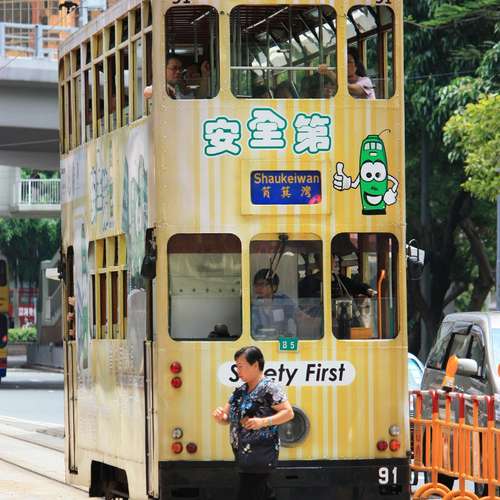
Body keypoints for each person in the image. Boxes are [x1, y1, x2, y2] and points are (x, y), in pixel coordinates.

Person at [212, 346, 294, 500]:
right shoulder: (240, 391)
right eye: (236, 366)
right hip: (243, 456)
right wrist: (220, 417)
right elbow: (227, 417)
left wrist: (263, 422)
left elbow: (288, 413)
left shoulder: (269, 388)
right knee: (261, 493)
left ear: (255, 365)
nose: (238, 371)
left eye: (241, 366)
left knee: (249, 492)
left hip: (260, 455)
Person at [251, 269, 296, 338]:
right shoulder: (252, 305)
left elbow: (297, 317)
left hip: (281, 341)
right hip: (259, 341)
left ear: (274, 287)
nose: (259, 288)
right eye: (256, 285)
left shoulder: (283, 301)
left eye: (262, 284)